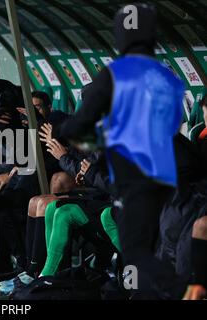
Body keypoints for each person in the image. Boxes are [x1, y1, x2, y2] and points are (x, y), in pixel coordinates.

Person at [56, 4, 186, 299]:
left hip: (132, 180)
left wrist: (84, 137)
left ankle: (184, 290)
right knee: (154, 248)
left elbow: (77, 126)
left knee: (137, 253)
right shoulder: (168, 78)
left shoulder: (116, 74)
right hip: (166, 179)